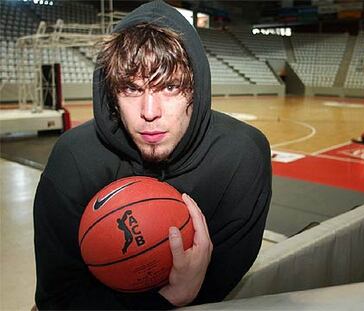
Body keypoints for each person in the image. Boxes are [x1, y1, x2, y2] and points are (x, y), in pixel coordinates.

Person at [33, 0, 272, 309]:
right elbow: (58, 296)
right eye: (131, 89)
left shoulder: (241, 157)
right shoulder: (75, 159)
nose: (149, 112)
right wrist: (169, 300)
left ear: (197, 87)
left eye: (170, 86)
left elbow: (217, 289)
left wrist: (193, 293)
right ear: (111, 93)